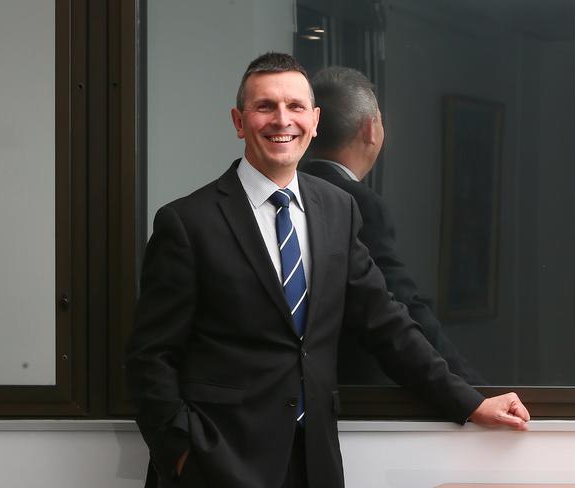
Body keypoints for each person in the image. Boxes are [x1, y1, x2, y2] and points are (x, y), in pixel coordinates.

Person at [126, 52, 529, 488]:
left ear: (314, 120)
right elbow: (151, 357)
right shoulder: (187, 223)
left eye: (296, 107)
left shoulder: (338, 209)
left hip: (313, 461)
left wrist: (470, 402)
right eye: (265, 107)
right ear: (239, 122)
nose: (283, 120)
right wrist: (184, 455)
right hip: (217, 464)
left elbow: (386, 323)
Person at [300, 66, 484, 385]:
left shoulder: (287, 194)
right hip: (356, 398)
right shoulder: (358, 203)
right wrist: (474, 388)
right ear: (371, 129)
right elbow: (399, 303)